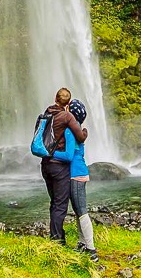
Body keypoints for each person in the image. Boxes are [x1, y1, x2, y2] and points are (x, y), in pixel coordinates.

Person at [40, 87, 87, 245]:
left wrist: (48, 153)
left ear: (55, 98)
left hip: (45, 164)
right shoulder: (67, 116)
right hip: (58, 166)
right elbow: (80, 138)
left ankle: (55, 235)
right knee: (60, 205)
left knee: (54, 202)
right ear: (68, 103)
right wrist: (85, 133)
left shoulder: (46, 113)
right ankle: (57, 240)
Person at [54, 98, 98, 262]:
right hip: (78, 173)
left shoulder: (70, 130)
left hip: (76, 174)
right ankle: (82, 243)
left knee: (82, 212)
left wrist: (50, 152)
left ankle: (92, 250)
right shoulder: (77, 128)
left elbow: (68, 155)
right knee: (78, 211)